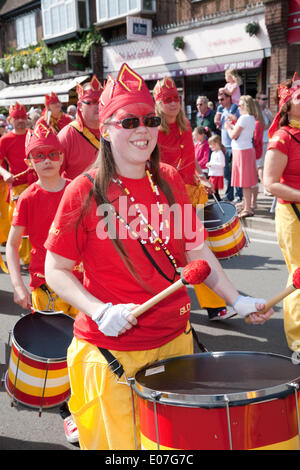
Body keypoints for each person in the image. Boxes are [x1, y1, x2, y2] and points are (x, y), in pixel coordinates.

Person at [43, 63, 273, 450]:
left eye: (149, 119)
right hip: (111, 351)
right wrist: (98, 310)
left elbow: (197, 251)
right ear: (107, 128)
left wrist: (236, 299)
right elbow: (56, 269)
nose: (143, 130)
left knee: (173, 451)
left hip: (175, 343)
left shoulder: (168, 179)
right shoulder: (82, 192)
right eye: (128, 121)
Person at [5, 122, 81, 444]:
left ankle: (86, 400)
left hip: (82, 282)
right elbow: (11, 245)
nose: (47, 160)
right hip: (45, 286)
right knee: (59, 350)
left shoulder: (79, 189)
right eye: (39, 156)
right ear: (29, 161)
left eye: (52, 154)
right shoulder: (27, 199)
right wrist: (18, 285)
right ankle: (68, 412)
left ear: (61, 156)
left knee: (86, 346)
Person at [154, 77, 232, 321]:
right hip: (161, 197)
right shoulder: (152, 129)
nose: (172, 103)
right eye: (167, 100)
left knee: (197, 247)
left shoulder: (186, 125)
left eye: (175, 99)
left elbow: (191, 161)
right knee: (163, 251)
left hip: (188, 193)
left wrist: (202, 177)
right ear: (158, 103)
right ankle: (162, 306)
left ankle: (214, 305)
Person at [263, 72, 300, 352]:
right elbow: (270, 183)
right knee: (299, 274)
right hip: (293, 214)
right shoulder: (282, 137)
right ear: (286, 105)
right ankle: (297, 339)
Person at [0, 102, 34, 266]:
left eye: (23, 117)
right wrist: (5, 173)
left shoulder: (33, 135)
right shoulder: (5, 140)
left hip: (37, 184)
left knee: (36, 222)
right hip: (18, 187)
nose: (20, 120)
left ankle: (35, 256)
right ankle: (26, 258)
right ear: (10, 120)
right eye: (17, 117)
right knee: (21, 224)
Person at [57, 75, 102, 180]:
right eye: (93, 101)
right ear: (80, 106)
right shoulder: (67, 136)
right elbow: (53, 178)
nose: (99, 106)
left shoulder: (113, 131)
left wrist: (124, 198)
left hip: (111, 195)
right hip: (80, 195)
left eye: (101, 101)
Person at [225, 95, 257, 218]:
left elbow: (233, 135)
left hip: (242, 150)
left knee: (245, 182)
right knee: (245, 181)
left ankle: (247, 208)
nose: (238, 107)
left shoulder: (244, 118)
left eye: (240, 105)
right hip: (244, 149)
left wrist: (228, 127)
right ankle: (246, 205)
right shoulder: (249, 118)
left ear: (245, 106)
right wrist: (234, 123)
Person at [217, 89, 242, 203]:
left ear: (229, 98)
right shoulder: (222, 110)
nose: (220, 102)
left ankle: (238, 195)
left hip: (233, 146)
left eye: (222, 99)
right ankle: (229, 195)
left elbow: (238, 123)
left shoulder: (235, 109)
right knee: (227, 173)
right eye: (219, 99)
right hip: (224, 145)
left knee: (235, 172)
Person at [250, 100, 267, 211]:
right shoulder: (258, 122)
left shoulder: (256, 123)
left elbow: (255, 140)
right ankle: (252, 201)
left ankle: (253, 202)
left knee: (253, 179)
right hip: (257, 151)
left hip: (255, 152)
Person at [256, 92, 274, 195]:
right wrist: (270, 121)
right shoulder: (257, 112)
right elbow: (263, 126)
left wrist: (270, 118)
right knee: (261, 165)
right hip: (261, 141)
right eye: (263, 99)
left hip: (269, 140)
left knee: (268, 165)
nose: (265, 101)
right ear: (258, 100)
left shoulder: (267, 111)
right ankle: (265, 188)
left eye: (266, 99)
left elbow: (275, 123)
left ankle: (266, 186)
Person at [206, 134, 225, 201]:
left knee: (215, 190)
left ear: (216, 144)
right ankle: (217, 201)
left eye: (211, 144)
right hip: (213, 174)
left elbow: (222, 164)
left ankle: (218, 201)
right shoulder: (213, 153)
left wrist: (212, 164)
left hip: (217, 175)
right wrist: (209, 164)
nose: (210, 146)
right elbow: (212, 162)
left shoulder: (220, 153)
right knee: (213, 190)